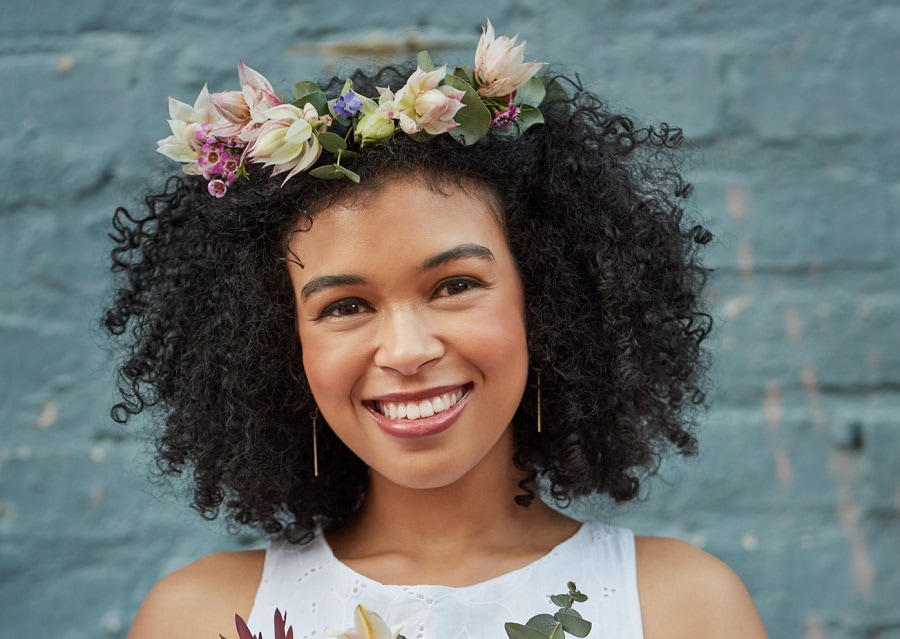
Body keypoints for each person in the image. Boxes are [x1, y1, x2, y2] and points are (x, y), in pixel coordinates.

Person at [106, 21, 768, 639]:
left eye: (455, 286)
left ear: (546, 303)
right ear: (282, 344)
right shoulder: (196, 617)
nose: (407, 350)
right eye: (343, 306)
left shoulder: (684, 608)